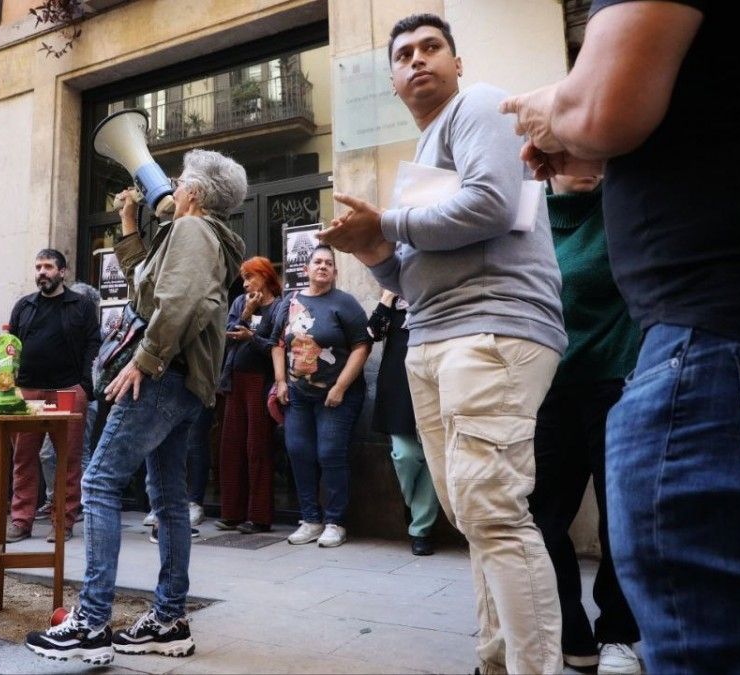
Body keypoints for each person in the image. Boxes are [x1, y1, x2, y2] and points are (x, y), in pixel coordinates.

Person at [499, 2, 740, 671]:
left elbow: (607, 107)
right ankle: (576, 639)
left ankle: (614, 633)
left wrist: (551, 106)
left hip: (724, 349)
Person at [318, 14, 567, 673]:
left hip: (492, 328)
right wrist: (372, 247)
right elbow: (405, 276)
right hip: (433, 336)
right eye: (404, 55)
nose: (418, 60)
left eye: (432, 48)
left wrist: (388, 220)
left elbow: (489, 202)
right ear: (395, 81)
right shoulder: (421, 159)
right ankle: (494, 656)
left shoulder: (478, 106)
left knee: (493, 510)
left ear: (456, 63)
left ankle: (532, 666)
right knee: (474, 513)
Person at [25, 149, 246, 664]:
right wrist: (129, 222)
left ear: (194, 193)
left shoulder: (193, 232)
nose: (171, 185)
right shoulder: (198, 236)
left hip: (163, 377)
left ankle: (91, 625)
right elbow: (147, 290)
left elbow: (178, 304)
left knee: (99, 482)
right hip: (184, 383)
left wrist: (144, 362)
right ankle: (168, 620)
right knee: (168, 501)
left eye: (180, 180)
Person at [524, 174, 640, 674]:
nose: (589, 160)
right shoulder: (528, 217)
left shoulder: (623, 203)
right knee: (540, 514)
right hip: (550, 383)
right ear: (547, 159)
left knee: (620, 514)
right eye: (573, 150)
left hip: (618, 380)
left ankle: (617, 632)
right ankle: (569, 626)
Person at [270, 246, 369, 548]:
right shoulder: (290, 302)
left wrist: (340, 386)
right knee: (298, 452)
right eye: (317, 262)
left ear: (335, 272)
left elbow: (362, 346)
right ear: (307, 269)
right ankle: (310, 519)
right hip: (297, 395)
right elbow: (277, 343)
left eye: (329, 263)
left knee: (329, 453)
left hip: (336, 397)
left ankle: (335, 522)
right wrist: (280, 381)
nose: (323, 267)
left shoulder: (345, 303)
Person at [3, 248, 99, 544]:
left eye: (47, 267)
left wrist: (84, 386)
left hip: (66, 390)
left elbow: (92, 346)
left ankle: (63, 522)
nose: (41, 272)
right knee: (23, 458)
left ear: (62, 272)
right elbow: (12, 345)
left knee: (67, 459)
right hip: (29, 390)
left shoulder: (80, 305)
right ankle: (21, 520)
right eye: (38, 267)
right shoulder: (24, 305)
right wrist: (10, 384)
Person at [213, 256, 282, 533]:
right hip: (235, 380)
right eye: (243, 277)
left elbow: (276, 346)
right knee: (231, 446)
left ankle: (260, 517)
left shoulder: (279, 305)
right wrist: (245, 314)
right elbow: (225, 334)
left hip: (260, 382)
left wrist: (251, 337)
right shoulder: (241, 303)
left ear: (264, 277)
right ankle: (232, 512)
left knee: (257, 447)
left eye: (250, 277)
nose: (245, 283)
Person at [367, 290, 437, 557]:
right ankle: (414, 504)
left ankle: (421, 529)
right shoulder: (394, 304)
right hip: (398, 386)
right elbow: (373, 333)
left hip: (434, 383)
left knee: (433, 458)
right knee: (405, 454)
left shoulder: (435, 295)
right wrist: (387, 297)